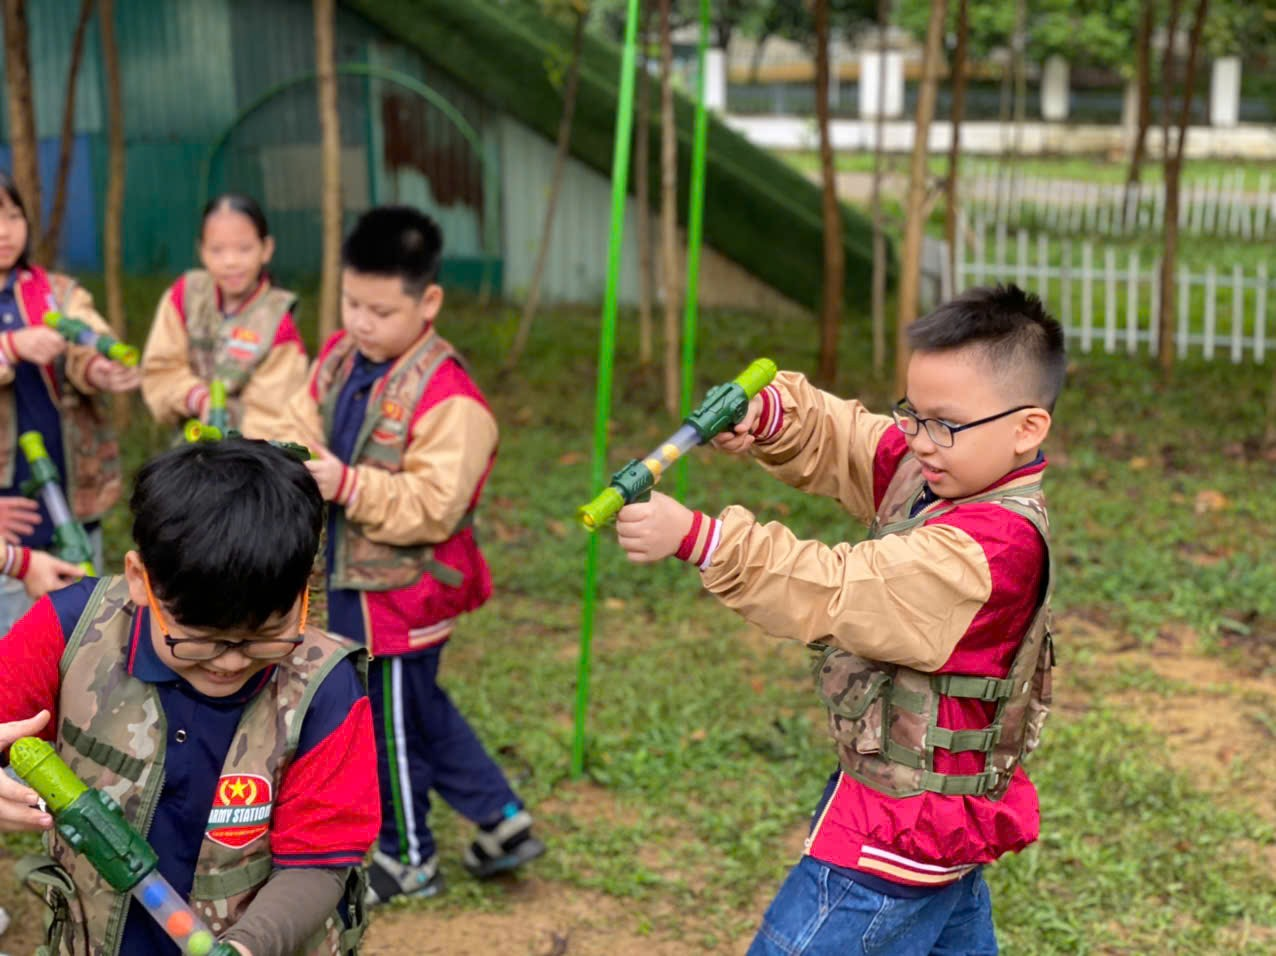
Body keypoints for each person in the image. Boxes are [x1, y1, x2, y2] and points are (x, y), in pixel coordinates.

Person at [615, 284, 1063, 955]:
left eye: (944, 424)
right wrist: (771, 416)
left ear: (1026, 428)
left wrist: (702, 540)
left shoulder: (989, 550)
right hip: (921, 818)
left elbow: (841, 588)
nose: (920, 441)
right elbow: (855, 440)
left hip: (897, 835)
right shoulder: (942, 470)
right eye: (913, 413)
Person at [0, 439, 380, 956]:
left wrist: (247, 946)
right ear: (141, 580)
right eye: (200, 639)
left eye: (264, 636)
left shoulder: (325, 690)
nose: (230, 662)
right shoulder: (71, 632)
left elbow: (318, 862)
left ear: (302, 591)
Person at [268, 205, 544, 905]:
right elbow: (302, 415)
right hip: (350, 582)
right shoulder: (340, 356)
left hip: (403, 595)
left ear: (429, 302)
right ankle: (500, 816)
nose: (361, 323)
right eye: (351, 303)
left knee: (385, 728)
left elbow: (433, 506)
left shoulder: (451, 398)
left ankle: (409, 857)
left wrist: (348, 485)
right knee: (417, 710)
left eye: (381, 311)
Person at [0, 171, 139, 631]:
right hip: (9, 516)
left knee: (84, 626)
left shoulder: (57, 292)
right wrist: (12, 346)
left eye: (13, 216)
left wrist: (100, 368)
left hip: (74, 491)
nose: (5, 231)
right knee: (16, 636)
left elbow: (86, 339)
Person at [141, 193, 308, 439]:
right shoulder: (185, 294)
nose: (230, 262)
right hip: (187, 449)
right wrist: (197, 398)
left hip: (248, 455)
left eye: (244, 249)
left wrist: (226, 416)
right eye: (217, 250)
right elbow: (159, 372)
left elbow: (276, 419)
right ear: (201, 251)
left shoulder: (277, 323)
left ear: (266, 249)